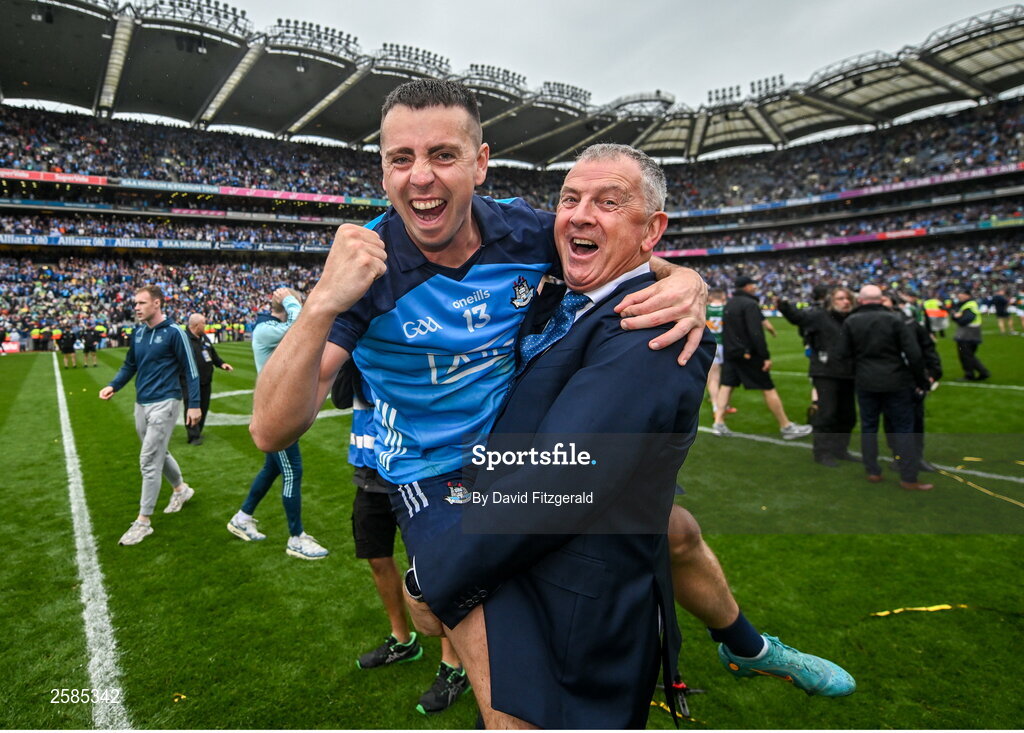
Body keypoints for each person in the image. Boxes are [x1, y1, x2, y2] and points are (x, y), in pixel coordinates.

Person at [250, 79, 707, 715]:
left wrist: (687, 278)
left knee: (670, 530)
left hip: (522, 461)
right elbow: (271, 431)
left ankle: (745, 642)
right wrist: (323, 300)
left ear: (480, 163)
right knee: (511, 698)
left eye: (442, 155)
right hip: (435, 480)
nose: (420, 178)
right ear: (382, 170)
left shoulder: (525, 232)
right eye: (400, 159)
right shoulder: (370, 273)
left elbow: (608, 240)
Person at [408, 145, 854, 728]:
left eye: (608, 202)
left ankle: (749, 646)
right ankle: (746, 646)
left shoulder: (653, 331)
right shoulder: (558, 291)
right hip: (528, 539)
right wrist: (688, 275)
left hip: (570, 591)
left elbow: (561, 476)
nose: (581, 214)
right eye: (570, 199)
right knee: (679, 531)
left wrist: (432, 572)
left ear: (653, 230)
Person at [338, 364, 468, 714]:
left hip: (416, 466)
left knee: (433, 570)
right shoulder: (358, 341)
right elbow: (339, 397)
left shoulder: (403, 340)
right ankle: (402, 639)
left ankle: (453, 664)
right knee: (377, 557)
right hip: (369, 467)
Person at [227, 288, 327, 560]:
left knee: (272, 469)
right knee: (292, 470)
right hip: (275, 412)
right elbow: (300, 326)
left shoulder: (274, 327)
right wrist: (292, 300)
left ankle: (242, 517)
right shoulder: (264, 328)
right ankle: (296, 537)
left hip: (281, 406)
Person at [99, 285, 201, 546]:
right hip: (141, 402)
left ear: (157, 304)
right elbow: (130, 364)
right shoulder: (139, 332)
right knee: (158, 452)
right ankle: (181, 490)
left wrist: (194, 404)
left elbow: (191, 369)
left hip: (166, 402)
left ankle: (143, 522)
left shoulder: (175, 332)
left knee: (148, 460)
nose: (137, 307)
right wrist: (114, 385)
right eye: (136, 303)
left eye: (142, 303)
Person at [837, 285, 931, 490]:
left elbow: (842, 354)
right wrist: (921, 381)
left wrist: (857, 371)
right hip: (896, 380)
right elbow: (913, 353)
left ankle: (872, 471)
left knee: (869, 427)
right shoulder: (894, 319)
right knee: (903, 429)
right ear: (880, 300)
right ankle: (908, 477)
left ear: (860, 301)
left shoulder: (851, 321)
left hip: (866, 380)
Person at [711, 276, 812, 439]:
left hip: (732, 352)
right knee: (767, 387)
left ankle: (718, 423)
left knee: (727, 385)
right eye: (753, 284)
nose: (755, 287)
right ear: (746, 287)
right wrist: (764, 356)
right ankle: (786, 426)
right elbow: (755, 332)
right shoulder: (750, 304)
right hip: (748, 354)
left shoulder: (730, 303)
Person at [777, 287, 857, 467]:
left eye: (848, 299)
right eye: (840, 298)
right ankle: (822, 452)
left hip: (849, 372)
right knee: (827, 413)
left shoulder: (853, 319)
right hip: (825, 371)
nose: (845, 302)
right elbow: (799, 318)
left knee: (848, 415)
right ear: (831, 301)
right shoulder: (819, 316)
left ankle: (840, 449)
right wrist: (784, 306)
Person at [884, 291, 942, 473]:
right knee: (892, 422)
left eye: (883, 300)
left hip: (912, 379)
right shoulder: (869, 325)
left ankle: (917, 457)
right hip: (887, 381)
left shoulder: (908, 322)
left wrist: (933, 372)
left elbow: (926, 347)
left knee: (916, 420)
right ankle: (898, 457)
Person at [180, 313, 233, 445]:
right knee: (191, 406)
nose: (206, 325)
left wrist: (221, 364)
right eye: (204, 323)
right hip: (190, 381)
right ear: (197, 325)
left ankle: (198, 431)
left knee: (204, 406)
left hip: (206, 380)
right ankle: (193, 436)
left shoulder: (204, 338)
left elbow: (213, 354)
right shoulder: (183, 339)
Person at [951, 289, 990, 381]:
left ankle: (972, 374)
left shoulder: (969, 306)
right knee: (969, 355)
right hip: (972, 334)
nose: (959, 296)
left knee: (965, 355)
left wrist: (956, 317)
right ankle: (981, 372)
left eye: (961, 294)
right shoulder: (970, 305)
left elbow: (964, 320)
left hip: (967, 334)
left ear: (967, 295)